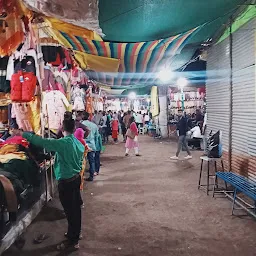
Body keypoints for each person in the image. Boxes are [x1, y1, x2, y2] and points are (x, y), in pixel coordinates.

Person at [13, 113, 84, 251]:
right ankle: (75, 233)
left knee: (70, 212)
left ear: (62, 128)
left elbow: (43, 142)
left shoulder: (63, 143)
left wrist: (23, 134)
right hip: (75, 179)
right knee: (76, 210)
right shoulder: (76, 141)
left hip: (67, 182)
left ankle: (72, 241)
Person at [82, 112, 100, 181]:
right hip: (92, 145)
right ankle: (91, 176)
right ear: (89, 117)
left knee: (81, 162)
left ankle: (81, 177)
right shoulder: (94, 125)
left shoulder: (81, 125)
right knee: (91, 161)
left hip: (82, 146)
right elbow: (97, 137)